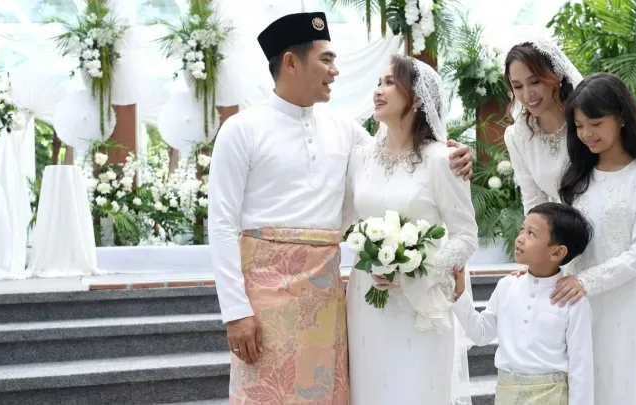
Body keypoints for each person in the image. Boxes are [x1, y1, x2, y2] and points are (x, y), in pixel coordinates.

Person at [208, 12, 474, 405]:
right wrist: (235, 310)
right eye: (326, 59)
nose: (335, 70)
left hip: (326, 295)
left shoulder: (345, 129)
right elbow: (221, 224)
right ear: (291, 62)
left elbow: (400, 160)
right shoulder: (241, 129)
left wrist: (456, 154)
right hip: (265, 296)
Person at [342, 54, 478, 405]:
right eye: (378, 82)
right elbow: (344, 221)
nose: (378, 90)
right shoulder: (359, 157)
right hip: (366, 298)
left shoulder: (443, 159)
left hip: (421, 303)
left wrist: (416, 272)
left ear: (416, 99)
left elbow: (465, 236)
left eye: (390, 83)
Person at [550, 73, 636, 405]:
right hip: (574, 304)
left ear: (621, 118)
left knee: (620, 387)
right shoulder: (576, 178)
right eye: (579, 126)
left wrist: (587, 282)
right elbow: (562, 239)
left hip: (621, 308)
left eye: (596, 123)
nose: (586, 134)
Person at [453, 202, 594, 405]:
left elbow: (581, 367)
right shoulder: (506, 286)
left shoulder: (573, 301)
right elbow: (481, 334)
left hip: (552, 397)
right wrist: (460, 294)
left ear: (557, 253)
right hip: (507, 395)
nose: (520, 238)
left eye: (531, 234)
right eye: (522, 229)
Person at [502, 39, 583, 214]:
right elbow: (533, 201)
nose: (527, 94)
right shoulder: (518, 136)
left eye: (535, 81)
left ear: (557, 75)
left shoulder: (585, 120)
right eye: (518, 86)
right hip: (561, 227)